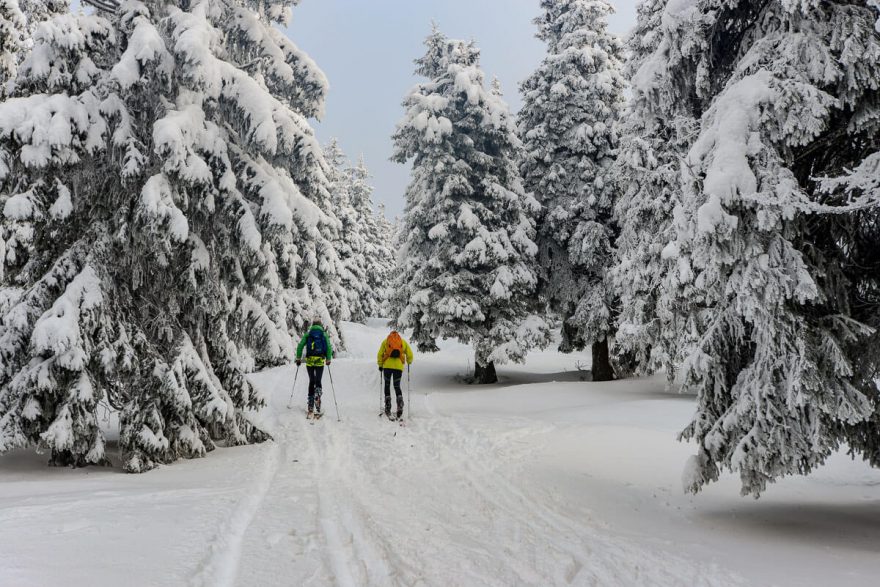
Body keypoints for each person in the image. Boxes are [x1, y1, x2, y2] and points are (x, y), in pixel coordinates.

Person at [295, 320, 333, 418]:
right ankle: (317, 397)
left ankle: (311, 405)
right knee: (318, 380)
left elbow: (300, 346)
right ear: (321, 325)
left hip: (310, 361)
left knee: (312, 381)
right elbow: (328, 347)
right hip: (320, 360)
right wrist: (328, 359)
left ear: (313, 325)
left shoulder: (308, 334)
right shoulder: (323, 334)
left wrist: (298, 358)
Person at [376, 330, 414, 419]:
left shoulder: (385, 341)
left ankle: (388, 406)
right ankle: (400, 403)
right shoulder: (402, 342)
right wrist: (409, 361)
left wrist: (380, 364)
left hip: (387, 367)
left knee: (387, 385)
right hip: (398, 367)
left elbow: (380, 354)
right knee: (397, 386)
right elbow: (410, 354)